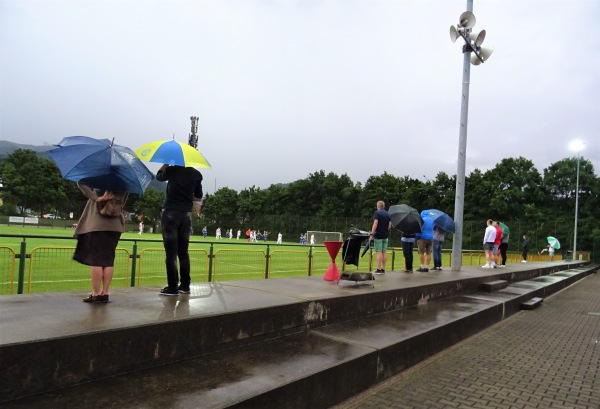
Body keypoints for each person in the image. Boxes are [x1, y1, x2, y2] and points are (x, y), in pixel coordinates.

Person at [73, 181, 127, 303]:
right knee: (108, 260)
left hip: (97, 224)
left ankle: (96, 293)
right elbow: (122, 201)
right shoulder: (124, 180)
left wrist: (97, 198)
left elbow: (80, 182)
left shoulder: (97, 176)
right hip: (115, 225)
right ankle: (105, 293)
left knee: (96, 260)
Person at [156, 164, 203, 296]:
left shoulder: (172, 170)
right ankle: (185, 285)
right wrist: (187, 195)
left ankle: (172, 287)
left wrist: (164, 165)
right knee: (183, 253)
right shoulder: (196, 174)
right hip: (186, 216)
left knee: (171, 255)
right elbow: (198, 197)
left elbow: (159, 177)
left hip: (170, 213)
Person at [369, 200, 392, 274]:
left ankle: (378, 269)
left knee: (378, 252)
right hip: (385, 235)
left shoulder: (377, 213)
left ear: (378, 206)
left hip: (378, 235)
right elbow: (390, 225)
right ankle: (383, 268)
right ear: (384, 206)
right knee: (384, 252)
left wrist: (372, 233)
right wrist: (386, 230)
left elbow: (375, 223)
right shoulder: (388, 214)